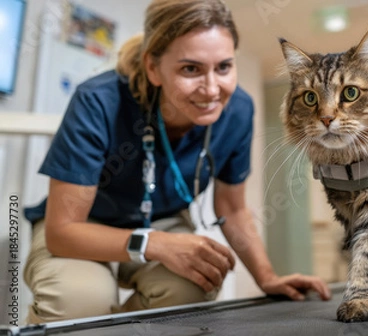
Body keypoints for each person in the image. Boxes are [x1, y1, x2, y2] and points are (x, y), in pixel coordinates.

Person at [23, 0, 330, 324]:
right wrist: (150, 243)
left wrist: (267, 277)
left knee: (192, 287)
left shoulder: (238, 110)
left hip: (163, 220)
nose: (212, 89)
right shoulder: (98, 101)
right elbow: (63, 231)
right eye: (190, 69)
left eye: (224, 67)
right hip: (83, 227)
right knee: (80, 300)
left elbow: (233, 208)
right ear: (153, 68)